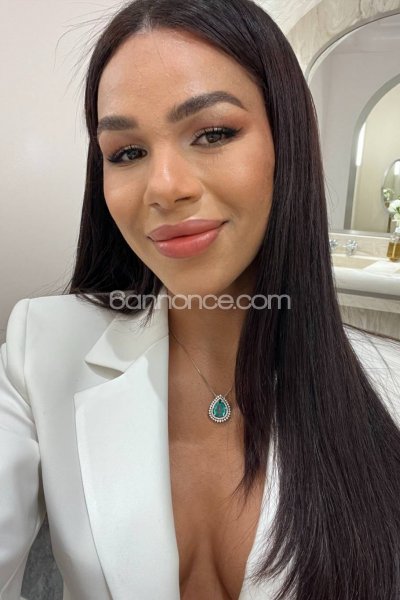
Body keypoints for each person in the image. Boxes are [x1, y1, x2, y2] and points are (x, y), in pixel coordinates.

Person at [1, 0, 400, 598]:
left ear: (287, 141)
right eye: (127, 152)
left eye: (213, 133)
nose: (164, 188)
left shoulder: (389, 389)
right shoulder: (43, 347)